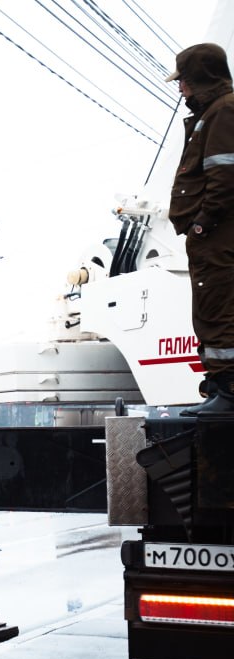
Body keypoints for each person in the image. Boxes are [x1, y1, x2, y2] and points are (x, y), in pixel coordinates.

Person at [167, 43, 234, 415]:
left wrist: (202, 223)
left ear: (198, 78)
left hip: (218, 233)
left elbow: (224, 175)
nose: (180, 88)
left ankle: (229, 393)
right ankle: (219, 389)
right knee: (212, 306)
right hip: (215, 234)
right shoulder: (214, 111)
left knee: (219, 307)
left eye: (183, 80)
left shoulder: (223, 111)